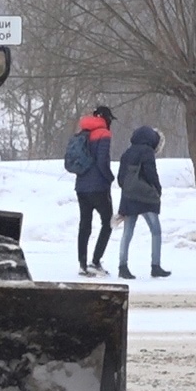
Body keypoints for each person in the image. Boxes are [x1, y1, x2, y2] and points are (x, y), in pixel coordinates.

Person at [116, 125, 171, 280]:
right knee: (156, 230)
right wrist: (157, 190)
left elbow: (121, 178)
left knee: (127, 233)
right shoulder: (147, 152)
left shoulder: (127, 152)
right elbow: (151, 174)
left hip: (128, 197)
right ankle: (155, 266)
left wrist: (128, 189)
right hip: (146, 198)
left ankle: (122, 266)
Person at [73, 106, 116, 276]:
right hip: (98, 187)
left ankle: (82, 264)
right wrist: (110, 178)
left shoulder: (82, 132)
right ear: (106, 118)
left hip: (81, 187)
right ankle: (96, 262)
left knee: (85, 225)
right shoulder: (103, 134)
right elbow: (102, 161)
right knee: (108, 222)